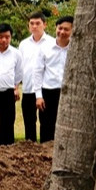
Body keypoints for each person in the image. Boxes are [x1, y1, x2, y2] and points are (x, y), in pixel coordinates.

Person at [33, 16, 73, 142]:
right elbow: (38, 72)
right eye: (60, 28)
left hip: (68, 92)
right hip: (48, 92)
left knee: (67, 125)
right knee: (46, 125)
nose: (62, 32)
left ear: (73, 30)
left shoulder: (75, 49)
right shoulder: (45, 48)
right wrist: (38, 96)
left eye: (66, 29)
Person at [19, 11, 55, 142]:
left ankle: (46, 150)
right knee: (29, 123)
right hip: (28, 89)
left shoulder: (52, 43)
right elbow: (20, 67)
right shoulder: (23, 44)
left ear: (44, 24)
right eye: (31, 23)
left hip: (45, 90)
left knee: (47, 123)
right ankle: (31, 152)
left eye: (38, 23)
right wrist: (16, 86)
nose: (34, 26)